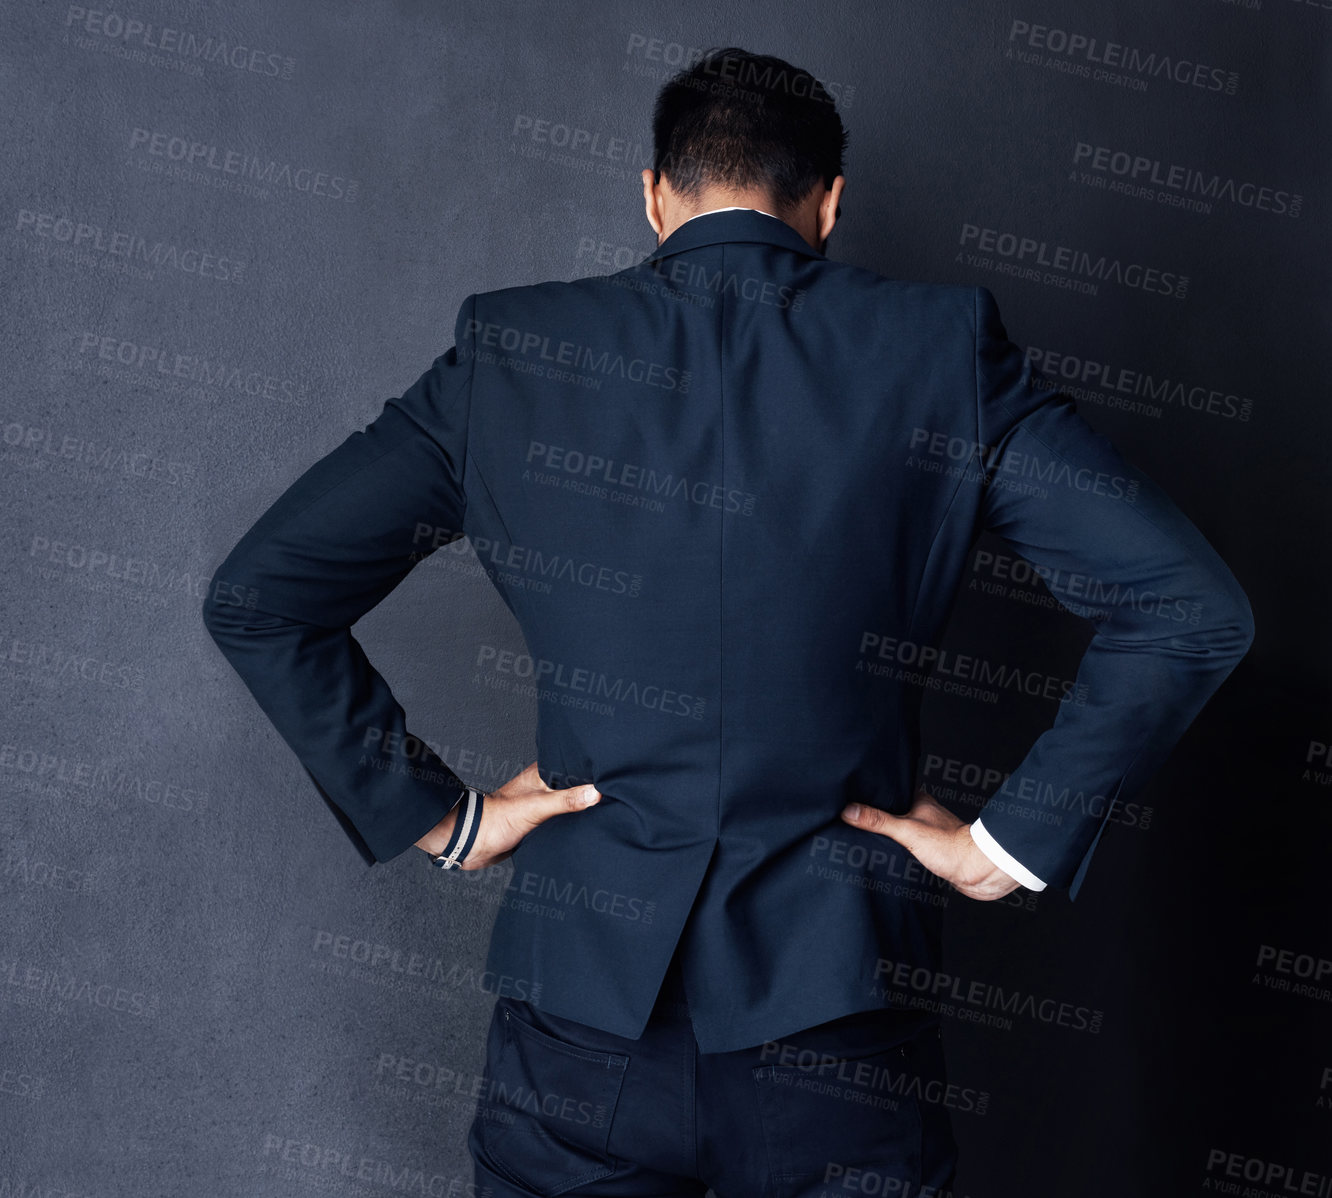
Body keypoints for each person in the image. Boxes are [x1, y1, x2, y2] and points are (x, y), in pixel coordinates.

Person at [203, 46, 1253, 1197]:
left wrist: (445, 815)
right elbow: (1186, 606)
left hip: (582, 1032)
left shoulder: (509, 355)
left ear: (654, 195)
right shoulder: (942, 353)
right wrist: (1007, 846)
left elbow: (263, 596)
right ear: (830, 206)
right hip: (839, 1023)